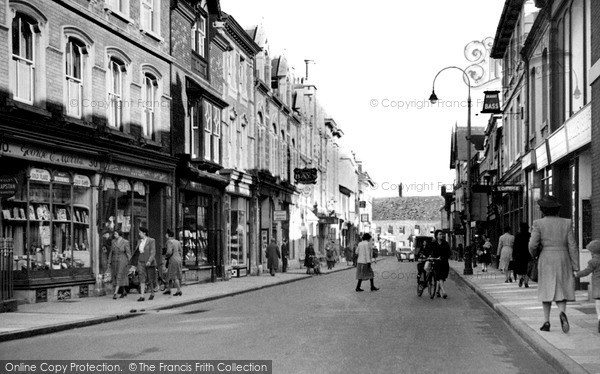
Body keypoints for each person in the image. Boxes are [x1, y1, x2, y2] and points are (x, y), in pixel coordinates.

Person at [529, 195, 579, 333]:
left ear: (543, 210)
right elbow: (573, 246)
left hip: (546, 258)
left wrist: (534, 255)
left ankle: (546, 321)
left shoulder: (538, 223)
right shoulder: (567, 223)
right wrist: (575, 266)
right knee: (561, 288)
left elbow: (532, 245)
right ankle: (562, 313)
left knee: (546, 289)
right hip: (563, 257)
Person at [573, 240, 600, 333]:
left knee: (598, 304)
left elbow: (586, 271)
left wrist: (577, 274)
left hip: (597, 286)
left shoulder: (593, 262)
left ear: (593, 252)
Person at [135, 227, 157, 301]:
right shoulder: (139, 241)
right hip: (140, 261)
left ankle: (152, 292)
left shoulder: (151, 240)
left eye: (140, 232)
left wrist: (150, 261)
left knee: (150, 278)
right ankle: (142, 295)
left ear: (144, 233)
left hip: (148, 261)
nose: (139, 234)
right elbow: (137, 252)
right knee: (142, 277)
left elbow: (153, 252)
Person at [108, 230, 130, 299]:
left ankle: (115, 293)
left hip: (122, 260)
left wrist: (130, 263)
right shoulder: (113, 241)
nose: (114, 235)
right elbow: (111, 252)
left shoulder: (125, 242)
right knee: (116, 275)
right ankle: (123, 291)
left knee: (119, 275)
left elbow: (128, 253)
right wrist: (109, 261)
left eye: (115, 234)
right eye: (114, 234)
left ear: (119, 234)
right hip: (114, 261)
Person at [429, 230, 450, 299]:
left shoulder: (446, 244)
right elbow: (430, 252)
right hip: (437, 263)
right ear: (436, 236)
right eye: (440, 234)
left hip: (444, 263)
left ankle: (437, 291)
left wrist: (443, 257)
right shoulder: (433, 244)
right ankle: (444, 292)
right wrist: (431, 257)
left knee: (442, 278)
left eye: (442, 234)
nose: (441, 236)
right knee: (440, 277)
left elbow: (448, 253)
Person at [163, 229, 182, 296]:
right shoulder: (177, 242)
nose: (165, 235)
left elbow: (169, 252)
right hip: (178, 259)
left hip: (172, 259)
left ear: (168, 235)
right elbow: (180, 250)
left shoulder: (169, 242)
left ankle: (179, 290)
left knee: (174, 275)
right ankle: (168, 289)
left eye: (166, 234)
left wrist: (165, 256)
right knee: (169, 274)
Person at [513, 223, 532, 287]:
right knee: (527, 269)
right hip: (527, 254)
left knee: (520, 269)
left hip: (519, 255)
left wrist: (514, 255)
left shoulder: (517, 236)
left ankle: (521, 278)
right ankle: (526, 282)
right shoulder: (529, 235)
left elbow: (515, 246)